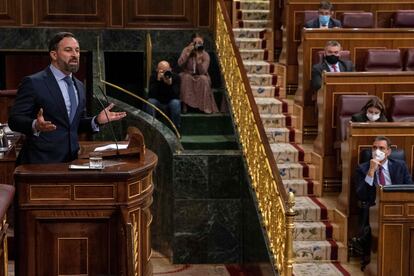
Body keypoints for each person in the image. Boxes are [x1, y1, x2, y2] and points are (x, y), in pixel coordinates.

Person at [8, 32, 126, 165]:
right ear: (54, 54)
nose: (75, 55)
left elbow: (74, 125)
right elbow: (14, 120)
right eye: (68, 50)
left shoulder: (79, 86)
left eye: (77, 50)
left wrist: (96, 120)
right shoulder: (33, 82)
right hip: (40, 164)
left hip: (72, 163)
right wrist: (36, 125)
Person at [354, 136, 413, 270]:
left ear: (388, 151)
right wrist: (371, 171)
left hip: (398, 208)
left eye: (381, 148)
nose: (377, 151)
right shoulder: (362, 169)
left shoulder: (400, 166)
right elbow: (361, 194)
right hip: (372, 207)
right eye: (374, 148)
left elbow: (410, 188)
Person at [178, 33, 218, 114]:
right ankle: (185, 105)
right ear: (192, 43)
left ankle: (204, 106)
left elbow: (203, 72)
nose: (198, 45)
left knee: (204, 79)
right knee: (185, 78)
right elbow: (180, 64)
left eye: (200, 43)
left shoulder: (205, 55)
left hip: (200, 75)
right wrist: (187, 54)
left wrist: (199, 60)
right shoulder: (186, 50)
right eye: (196, 43)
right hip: (187, 74)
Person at [145, 60, 181, 129]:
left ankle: (176, 129)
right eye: (162, 71)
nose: (165, 73)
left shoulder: (176, 77)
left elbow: (176, 95)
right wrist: (158, 81)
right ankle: (150, 127)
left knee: (176, 103)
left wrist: (169, 84)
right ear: (157, 70)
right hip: (158, 101)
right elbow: (151, 94)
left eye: (166, 71)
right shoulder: (153, 77)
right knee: (151, 101)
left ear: (170, 69)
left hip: (170, 101)